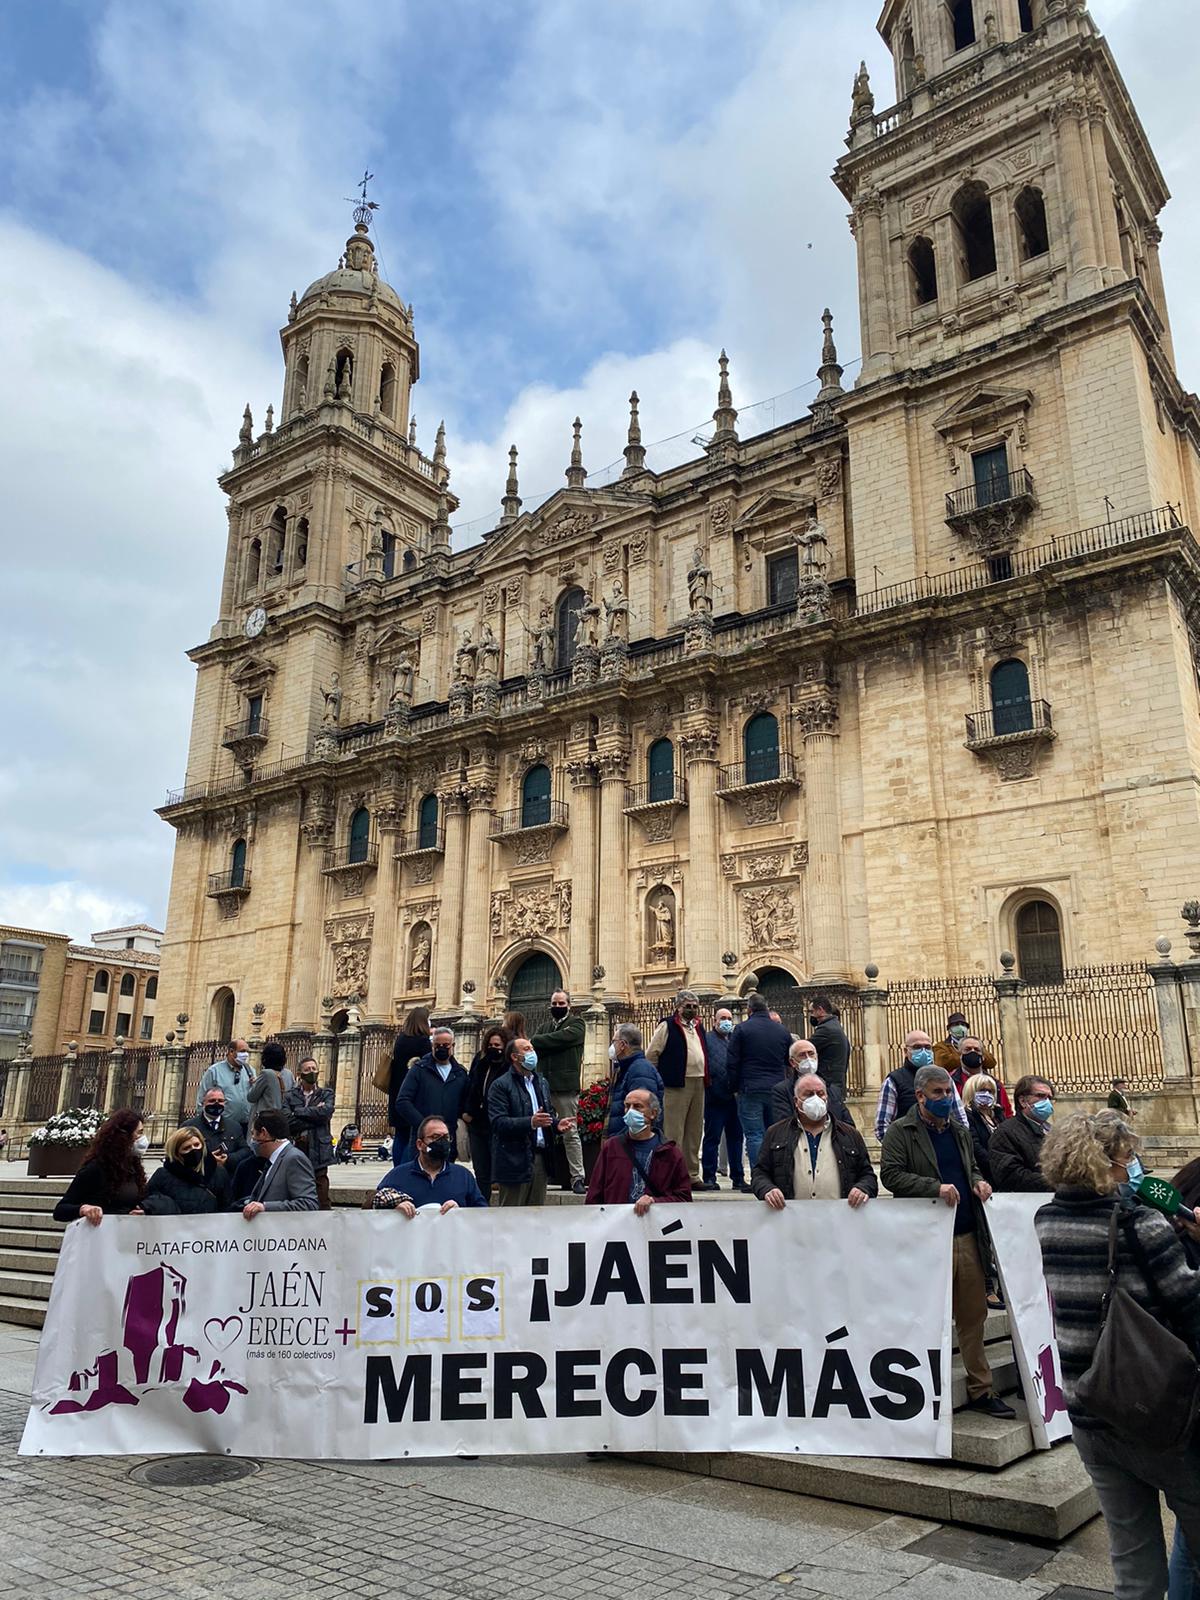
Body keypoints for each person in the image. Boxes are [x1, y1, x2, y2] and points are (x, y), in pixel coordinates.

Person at [1035, 1111, 1200, 1600]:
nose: (1135, 1169)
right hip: (1161, 1415)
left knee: (1133, 1563)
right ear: (1104, 1164)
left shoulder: (1047, 1220)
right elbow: (1190, 1308)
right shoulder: (1140, 1225)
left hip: (1093, 1408)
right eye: (1128, 1159)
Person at [880, 1064, 1014, 1418]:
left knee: (973, 1316)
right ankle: (918, 1388)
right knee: (924, 1315)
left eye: (947, 1093)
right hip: (926, 1238)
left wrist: (977, 1180)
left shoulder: (959, 1131)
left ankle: (981, 1389)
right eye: (937, 1093)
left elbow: (969, 1167)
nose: (945, 1099)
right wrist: (933, 1189)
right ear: (921, 1095)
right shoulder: (900, 1132)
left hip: (966, 1235)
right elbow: (891, 1175)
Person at [753, 1073, 877, 1209]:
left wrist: (862, 1188)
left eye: (820, 1093)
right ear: (796, 1101)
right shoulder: (776, 1133)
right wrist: (767, 1189)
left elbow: (868, 1176)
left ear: (827, 1098)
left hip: (839, 1219)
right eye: (808, 1094)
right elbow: (760, 1173)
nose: (816, 1099)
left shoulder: (849, 1134)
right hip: (790, 1219)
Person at [487, 1037, 573, 1206]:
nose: (532, 1052)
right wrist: (530, 1123)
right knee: (512, 1214)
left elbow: (544, 1115)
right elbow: (498, 1123)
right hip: (514, 1159)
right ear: (514, 1057)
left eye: (532, 1048)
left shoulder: (541, 1082)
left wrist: (556, 1124)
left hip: (540, 1157)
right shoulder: (501, 1085)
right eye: (526, 1049)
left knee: (536, 1215)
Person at [585, 1090, 691, 1212]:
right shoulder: (611, 1147)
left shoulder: (671, 1153)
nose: (631, 1111)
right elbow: (594, 1194)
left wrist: (655, 1201)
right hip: (617, 1225)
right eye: (627, 1106)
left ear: (653, 1113)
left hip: (653, 1226)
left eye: (637, 1106)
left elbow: (684, 1199)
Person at [645, 990, 709, 1185]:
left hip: (699, 1082)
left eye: (694, 1006)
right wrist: (660, 1078)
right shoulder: (667, 1025)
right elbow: (652, 1053)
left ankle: (691, 1174)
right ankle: (673, 1175)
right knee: (674, 1131)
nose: (691, 1009)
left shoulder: (698, 1027)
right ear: (678, 1007)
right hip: (675, 1084)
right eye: (687, 1006)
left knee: (694, 1131)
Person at [726, 992, 792, 1170]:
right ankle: (776, 1172)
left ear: (749, 1009)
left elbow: (732, 1062)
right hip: (777, 1088)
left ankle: (759, 1174)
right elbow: (789, 1061)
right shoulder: (782, 1031)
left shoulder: (741, 1029)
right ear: (767, 1008)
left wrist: (733, 1087)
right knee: (775, 1133)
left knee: (755, 1134)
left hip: (750, 1088)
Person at [531, 989, 587, 1194]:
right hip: (544, 1085)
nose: (557, 1007)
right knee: (541, 1132)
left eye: (561, 1003)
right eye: (554, 1004)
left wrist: (546, 1042)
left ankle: (577, 1177)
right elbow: (535, 1043)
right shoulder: (544, 1026)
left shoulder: (578, 1024)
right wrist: (554, 1041)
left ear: (569, 1005)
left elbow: (559, 1039)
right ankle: (541, 1175)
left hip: (565, 1086)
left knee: (570, 1134)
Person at [374, 1116, 489, 1213]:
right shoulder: (398, 1175)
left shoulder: (463, 1176)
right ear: (419, 1144)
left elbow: (481, 1214)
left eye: (446, 1137)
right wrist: (394, 1208)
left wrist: (460, 1211)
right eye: (435, 1137)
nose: (442, 1142)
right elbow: (372, 1207)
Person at [53, 1109, 148, 1224]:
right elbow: (60, 1210)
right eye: (139, 1132)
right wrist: (83, 1209)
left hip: (124, 1234)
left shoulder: (133, 1167)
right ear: (124, 1136)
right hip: (100, 1235)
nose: (142, 1138)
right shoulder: (96, 1168)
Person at [962, 1074, 1007, 1310]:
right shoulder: (968, 1117)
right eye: (982, 1090)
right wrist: (998, 1164)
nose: (987, 1095)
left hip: (1001, 1184)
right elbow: (975, 1148)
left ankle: (1003, 1287)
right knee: (983, 1238)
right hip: (983, 1183)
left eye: (990, 1090)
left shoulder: (998, 1116)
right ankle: (987, 1287)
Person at [393, 1025, 469, 1162]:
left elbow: (464, 1104)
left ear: (453, 1046)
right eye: (437, 1045)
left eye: (445, 1045)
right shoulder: (419, 1069)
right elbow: (403, 1101)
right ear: (432, 1046)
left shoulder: (460, 1074)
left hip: (448, 1136)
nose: (441, 1048)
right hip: (423, 1138)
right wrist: (423, 1124)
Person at [874, 1031, 968, 1140]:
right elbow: (882, 1127)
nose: (924, 1051)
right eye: (917, 1047)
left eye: (927, 1047)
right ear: (905, 1051)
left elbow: (960, 1119)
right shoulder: (894, 1081)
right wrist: (901, 1150)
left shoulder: (945, 1078)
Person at [700, 1006, 746, 1192]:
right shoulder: (707, 1040)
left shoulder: (736, 1040)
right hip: (715, 1097)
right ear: (715, 1021)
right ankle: (709, 1176)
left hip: (735, 1098)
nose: (727, 1021)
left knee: (736, 1139)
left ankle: (738, 1177)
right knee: (712, 1138)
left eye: (729, 1017)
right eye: (723, 1018)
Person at [240, 1110, 319, 1215]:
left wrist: (266, 1207)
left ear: (263, 1133)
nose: (252, 1139)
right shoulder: (272, 1160)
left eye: (253, 1133)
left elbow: (308, 1204)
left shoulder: (294, 1159)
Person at [463, 1024, 510, 1195]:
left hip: (497, 1123)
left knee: (499, 1168)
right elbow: (470, 1086)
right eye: (490, 1045)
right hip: (477, 1122)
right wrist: (466, 1111)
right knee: (480, 1169)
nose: (493, 1048)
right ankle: (482, 1204)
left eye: (497, 1046)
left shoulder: (509, 1066)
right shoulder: (480, 1061)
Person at [988, 1074, 1056, 1192]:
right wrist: (1055, 1182)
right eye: (1040, 1096)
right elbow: (1010, 1176)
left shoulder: (1052, 1131)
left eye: (1049, 1098)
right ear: (1023, 1101)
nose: (1047, 1102)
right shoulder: (1006, 1132)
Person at [142, 1126, 232, 1215]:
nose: (193, 1149)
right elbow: (150, 1202)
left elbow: (227, 1206)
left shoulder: (219, 1173)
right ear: (177, 1153)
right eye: (186, 1148)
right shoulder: (162, 1176)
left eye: (196, 1145)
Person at [284, 1057, 334, 1210]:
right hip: (298, 1145)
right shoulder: (289, 1095)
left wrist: (297, 1112)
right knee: (297, 1183)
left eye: (314, 1069)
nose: (311, 1072)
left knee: (321, 1186)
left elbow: (325, 1113)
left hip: (319, 1147)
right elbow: (287, 1120)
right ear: (299, 1073)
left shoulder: (326, 1093)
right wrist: (315, 1115)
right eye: (307, 1070)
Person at [771, 1038, 855, 1129]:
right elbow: (783, 1125)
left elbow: (847, 1123)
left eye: (811, 1054)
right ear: (792, 1062)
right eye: (802, 1055)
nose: (808, 1059)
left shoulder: (832, 1089)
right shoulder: (782, 1091)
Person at [388, 1006, 431, 1163]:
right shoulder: (423, 1042)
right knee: (413, 1136)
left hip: (397, 1094)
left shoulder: (401, 1040)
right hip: (414, 1097)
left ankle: (397, 1168)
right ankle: (405, 1168)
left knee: (400, 1135)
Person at [606, 1025, 666, 1138]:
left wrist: (620, 1141)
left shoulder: (640, 1070)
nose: (612, 1046)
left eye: (614, 1041)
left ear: (623, 1044)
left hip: (632, 1144)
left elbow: (641, 1113)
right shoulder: (626, 1068)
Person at [195, 1039, 256, 1140]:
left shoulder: (250, 1071)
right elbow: (202, 1099)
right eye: (242, 1051)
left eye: (247, 1052)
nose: (245, 1054)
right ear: (231, 1052)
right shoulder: (214, 1071)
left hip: (246, 1125)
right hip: (223, 1125)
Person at [184, 1085, 249, 1175]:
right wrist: (208, 1159)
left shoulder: (234, 1126)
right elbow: (180, 1153)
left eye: (220, 1101)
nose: (216, 1104)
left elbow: (245, 1150)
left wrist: (228, 1158)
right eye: (212, 1101)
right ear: (203, 1103)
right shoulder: (189, 1126)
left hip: (227, 1178)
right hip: (199, 1178)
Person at [949, 1035, 1012, 1116]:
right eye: (967, 1049)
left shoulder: (995, 1084)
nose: (972, 1052)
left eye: (977, 1050)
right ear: (960, 1055)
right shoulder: (951, 1081)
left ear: (982, 1056)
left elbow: (1007, 1113)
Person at [807, 996, 851, 1094]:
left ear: (820, 1010)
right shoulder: (835, 1027)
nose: (811, 1015)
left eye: (812, 1012)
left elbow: (805, 1048)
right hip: (836, 1085)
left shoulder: (827, 1030)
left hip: (828, 1085)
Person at [247, 1041, 287, 1113]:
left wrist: (253, 1084)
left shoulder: (266, 1074)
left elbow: (251, 1097)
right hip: (281, 1117)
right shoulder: (288, 1074)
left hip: (266, 1118)